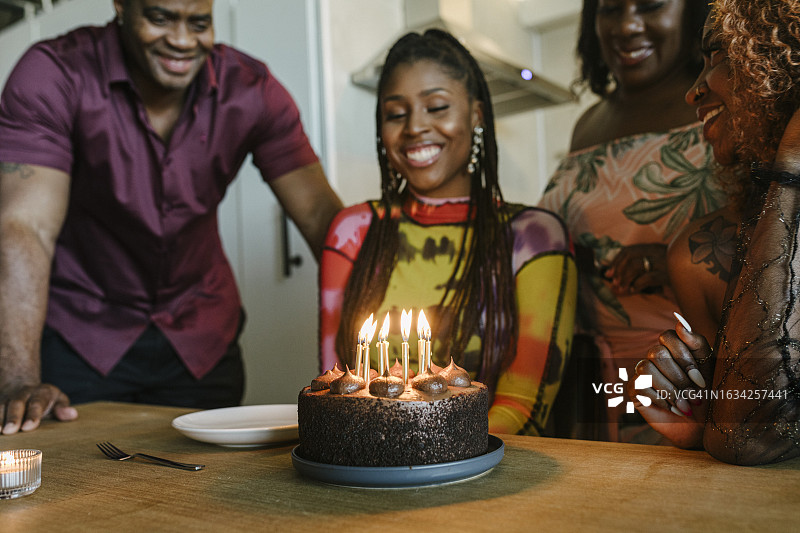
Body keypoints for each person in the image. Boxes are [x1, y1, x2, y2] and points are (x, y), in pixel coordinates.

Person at [0, 0, 343, 434]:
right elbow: (25, 225)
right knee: (85, 490)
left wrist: (375, 359)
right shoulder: (54, 73)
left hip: (201, 340)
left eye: (199, 23)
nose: (182, 41)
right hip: (82, 337)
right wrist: (17, 380)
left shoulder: (252, 89)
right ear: (121, 6)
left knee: (200, 493)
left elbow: (320, 217)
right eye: (160, 18)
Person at [318, 29, 578, 436]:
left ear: (476, 115)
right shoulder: (354, 231)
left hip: (484, 472)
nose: (415, 127)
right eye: (396, 114)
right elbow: (336, 389)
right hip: (366, 467)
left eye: (437, 106)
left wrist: (429, 453)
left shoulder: (534, 238)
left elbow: (523, 406)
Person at [537, 0, 724, 442]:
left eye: (651, 5)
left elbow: (778, 241)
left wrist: (681, 260)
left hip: (682, 389)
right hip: (587, 394)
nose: (627, 25)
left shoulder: (719, 104)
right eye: (610, 9)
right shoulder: (587, 125)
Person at [635, 0, 800, 465]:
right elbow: (746, 437)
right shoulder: (702, 255)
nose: (694, 91)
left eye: (721, 53)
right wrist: (707, 417)